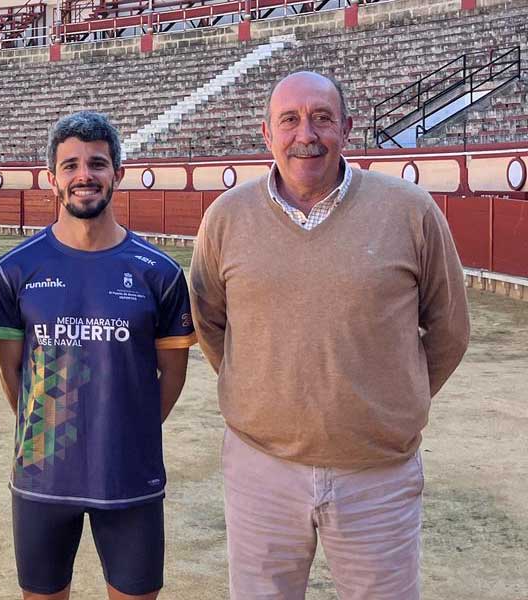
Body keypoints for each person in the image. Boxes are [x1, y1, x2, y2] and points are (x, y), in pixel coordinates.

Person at [189, 71, 470, 599]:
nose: (306, 134)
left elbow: (449, 330)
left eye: (321, 117)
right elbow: (210, 322)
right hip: (261, 469)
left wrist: (385, 403)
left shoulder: (410, 211)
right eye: (289, 120)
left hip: (377, 475)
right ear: (267, 134)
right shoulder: (227, 217)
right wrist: (262, 391)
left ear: (346, 127)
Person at [0, 111, 195, 600]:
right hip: (42, 474)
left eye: (98, 164)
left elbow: (172, 376)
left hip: (129, 475)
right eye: (71, 165)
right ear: (52, 178)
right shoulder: (15, 269)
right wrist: (46, 429)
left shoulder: (159, 273)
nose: (85, 175)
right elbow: (10, 370)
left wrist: (128, 426)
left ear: (117, 174)